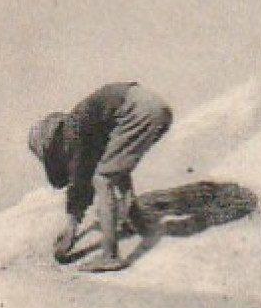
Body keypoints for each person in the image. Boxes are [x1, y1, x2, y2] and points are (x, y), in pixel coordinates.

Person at [28, 82, 174, 272]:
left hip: (139, 110)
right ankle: (136, 219)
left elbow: (80, 182)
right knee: (113, 168)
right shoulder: (83, 123)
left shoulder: (73, 132)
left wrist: (72, 228)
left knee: (102, 179)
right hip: (156, 107)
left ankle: (110, 256)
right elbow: (113, 166)